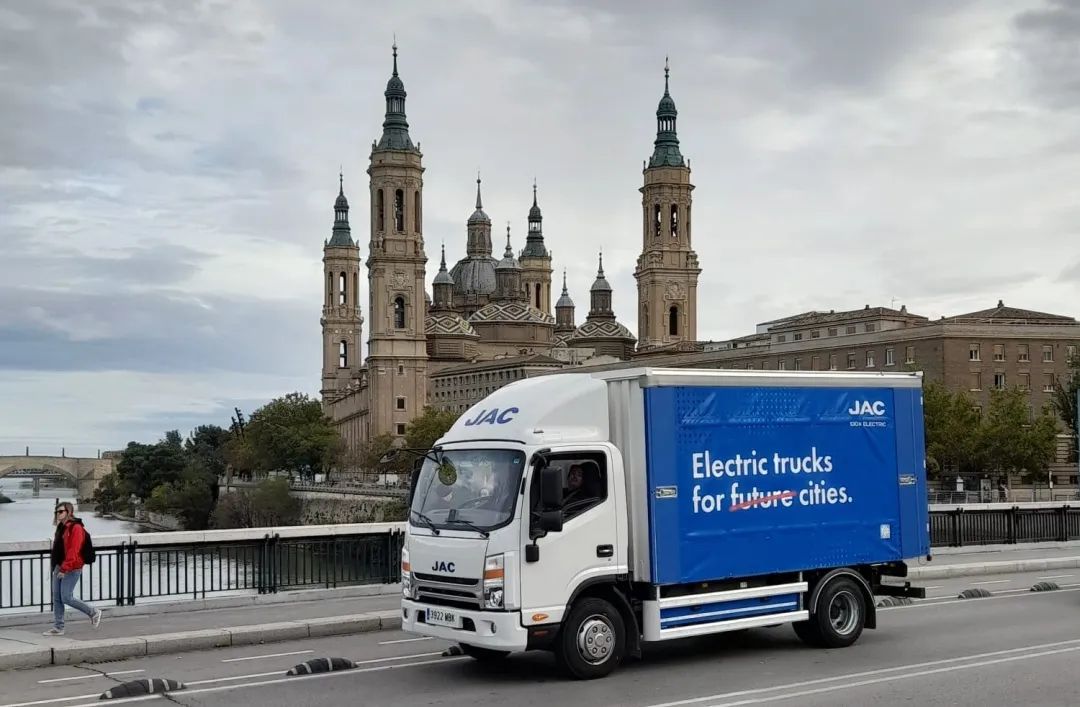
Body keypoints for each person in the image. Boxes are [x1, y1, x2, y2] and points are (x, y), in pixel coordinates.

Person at [43, 502, 102, 636]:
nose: (58, 514)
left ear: (69, 512)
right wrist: (56, 567)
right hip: (59, 566)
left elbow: (74, 550)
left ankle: (93, 612)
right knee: (57, 598)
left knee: (66, 597)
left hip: (71, 567)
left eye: (61, 511)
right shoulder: (61, 527)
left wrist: (64, 569)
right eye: (56, 512)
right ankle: (58, 627)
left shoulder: (76, 528)